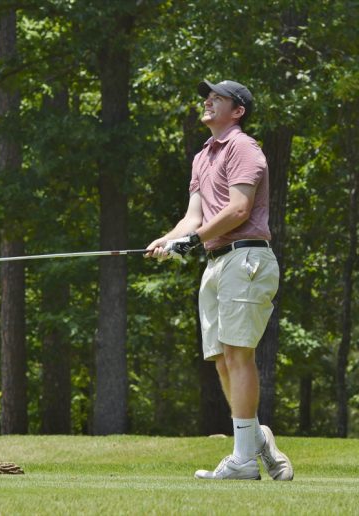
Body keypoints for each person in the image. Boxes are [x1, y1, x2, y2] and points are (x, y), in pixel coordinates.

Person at [145, 79, 293, 481]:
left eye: (218, 98)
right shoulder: (202, 156)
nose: (208, 102)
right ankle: (257, 439)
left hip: (246, 258)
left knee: (238, 354)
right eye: (207, 97)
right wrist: (168, 239)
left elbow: (240, 208)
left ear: (237, 111)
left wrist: (192, 240)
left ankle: (244, 460)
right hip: (216, 263)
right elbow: (193, 218)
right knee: (223, 361)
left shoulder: (244, 148)